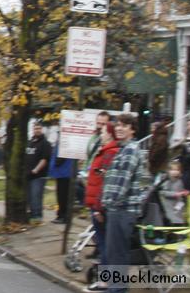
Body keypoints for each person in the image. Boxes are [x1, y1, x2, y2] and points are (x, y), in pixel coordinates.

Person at [99, 113, 148, 293]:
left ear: (132, 130)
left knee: (118, 253)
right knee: (114, 252)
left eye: (125, 126)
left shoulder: (130, 151)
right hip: (117, 209)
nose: (119, 128)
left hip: (122, 209)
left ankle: (117, 289)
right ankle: (115, 287)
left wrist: (108, 202)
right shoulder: (124, 149)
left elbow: (122, 182)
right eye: (118, 125)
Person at [84, 121, 119, 292]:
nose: (101, 134)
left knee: (105, 245)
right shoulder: (103, 150)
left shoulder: (110, 153)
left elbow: (104, 182)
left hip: (101, 205)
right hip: (95, 202)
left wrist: (98, 207)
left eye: (104, 132)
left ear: (111, 134)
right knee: (102, 243)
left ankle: (106, 281)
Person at [26, 121, 52, 221]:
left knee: (36, 196)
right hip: (28, 174)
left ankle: (37, 216)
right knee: (30, 196)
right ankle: (32, 214)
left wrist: (36, 170)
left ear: (42, 129)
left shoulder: (45, 143)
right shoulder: (30, 142)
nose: (37, 130)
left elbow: (44, 159)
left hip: (38, 175)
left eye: (39, 128)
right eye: (35, 128)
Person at [158, 161, 188, 226]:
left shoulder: (180, 182)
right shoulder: (167, 181)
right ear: (168, 171)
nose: (175, 172)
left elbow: (181, 196)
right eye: (173, 170)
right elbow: (163, 192)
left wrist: (183, 195)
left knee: (179, 224)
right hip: (168, 209)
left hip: (177, 209)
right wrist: (176, 194)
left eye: (177, 170)